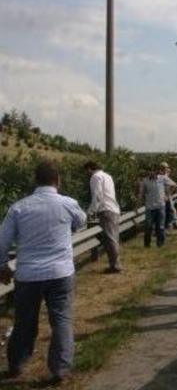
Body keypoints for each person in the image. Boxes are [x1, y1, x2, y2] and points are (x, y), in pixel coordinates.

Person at [0, 161, 86, 383]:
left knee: (24, 322)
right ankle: (60, 370)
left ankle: (16, 365)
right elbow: (81, 222)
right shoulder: (67, 203)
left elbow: (2, 241)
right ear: (58, 180)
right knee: (62, 320)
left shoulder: (19, 208)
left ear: (35, 180)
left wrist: (3, 266)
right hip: (60, 272)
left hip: (28, 274)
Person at [84, 161, 122, 273]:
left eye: (86, 171)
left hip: (105, 210)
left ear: (89, 168)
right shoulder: (108, 176)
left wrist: (91, 211)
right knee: (113, 238)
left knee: (109, 239)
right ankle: (115, 263)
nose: (86, 173)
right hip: (114, 209)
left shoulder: (95, 177)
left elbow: (97, 196)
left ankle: (115, 265)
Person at [139, 165, 169, 247]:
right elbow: (141, 194)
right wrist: (137, 206)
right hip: (150, 207)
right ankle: (147, 244)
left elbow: (174, 185)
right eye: (149, 170)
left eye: (153, 170)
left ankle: (160, 244)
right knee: (148, 226)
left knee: (160, 226)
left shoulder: (162, 178)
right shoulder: (145, 181)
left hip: (160, 206)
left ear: (157, 171)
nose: (151, 172)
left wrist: (167, 196)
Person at [159, 162, 177, 231]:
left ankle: (174, 224)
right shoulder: (161, 176)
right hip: (163, 197)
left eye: (166, 167)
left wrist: (169, 194)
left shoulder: (164, 176)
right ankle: (169, 225)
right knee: (167, 211)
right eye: (165, 168)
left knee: (171, 210)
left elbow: (174, 185)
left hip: (166, 196)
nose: (166, 169)